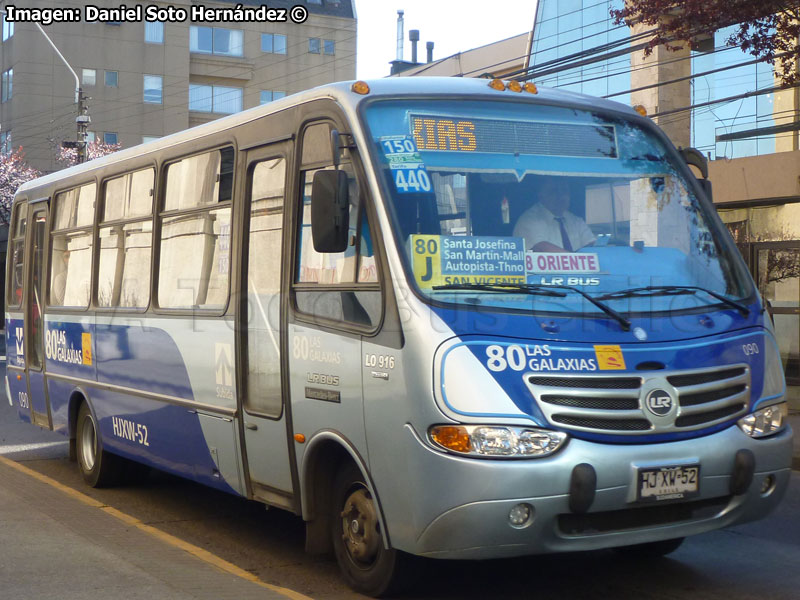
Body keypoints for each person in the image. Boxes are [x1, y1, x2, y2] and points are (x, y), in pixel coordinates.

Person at [513, 177, 595, 252]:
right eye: (554, 191)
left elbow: (592, 245)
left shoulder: (576, 221)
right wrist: (578, 261)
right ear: (541, 195)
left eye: (564, 190)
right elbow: (542, 247)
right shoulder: (529, 220)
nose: (561, 196)